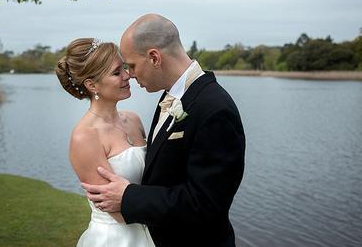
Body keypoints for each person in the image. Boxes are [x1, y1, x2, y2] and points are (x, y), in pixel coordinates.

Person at [82, 14, 246, 247]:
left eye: (132, 65)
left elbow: (206, 204)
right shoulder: (172, 97)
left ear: (154, 57)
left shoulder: (214, 109)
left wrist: (128, 197)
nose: (130, 74)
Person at [55, 38, 155, 247]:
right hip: (117, 238)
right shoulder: (85, 136)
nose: (128, 76)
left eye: (125, 68)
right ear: (92, 85)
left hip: (150, 226)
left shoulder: (133, 120)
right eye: (117, 73)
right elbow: (113, 207)